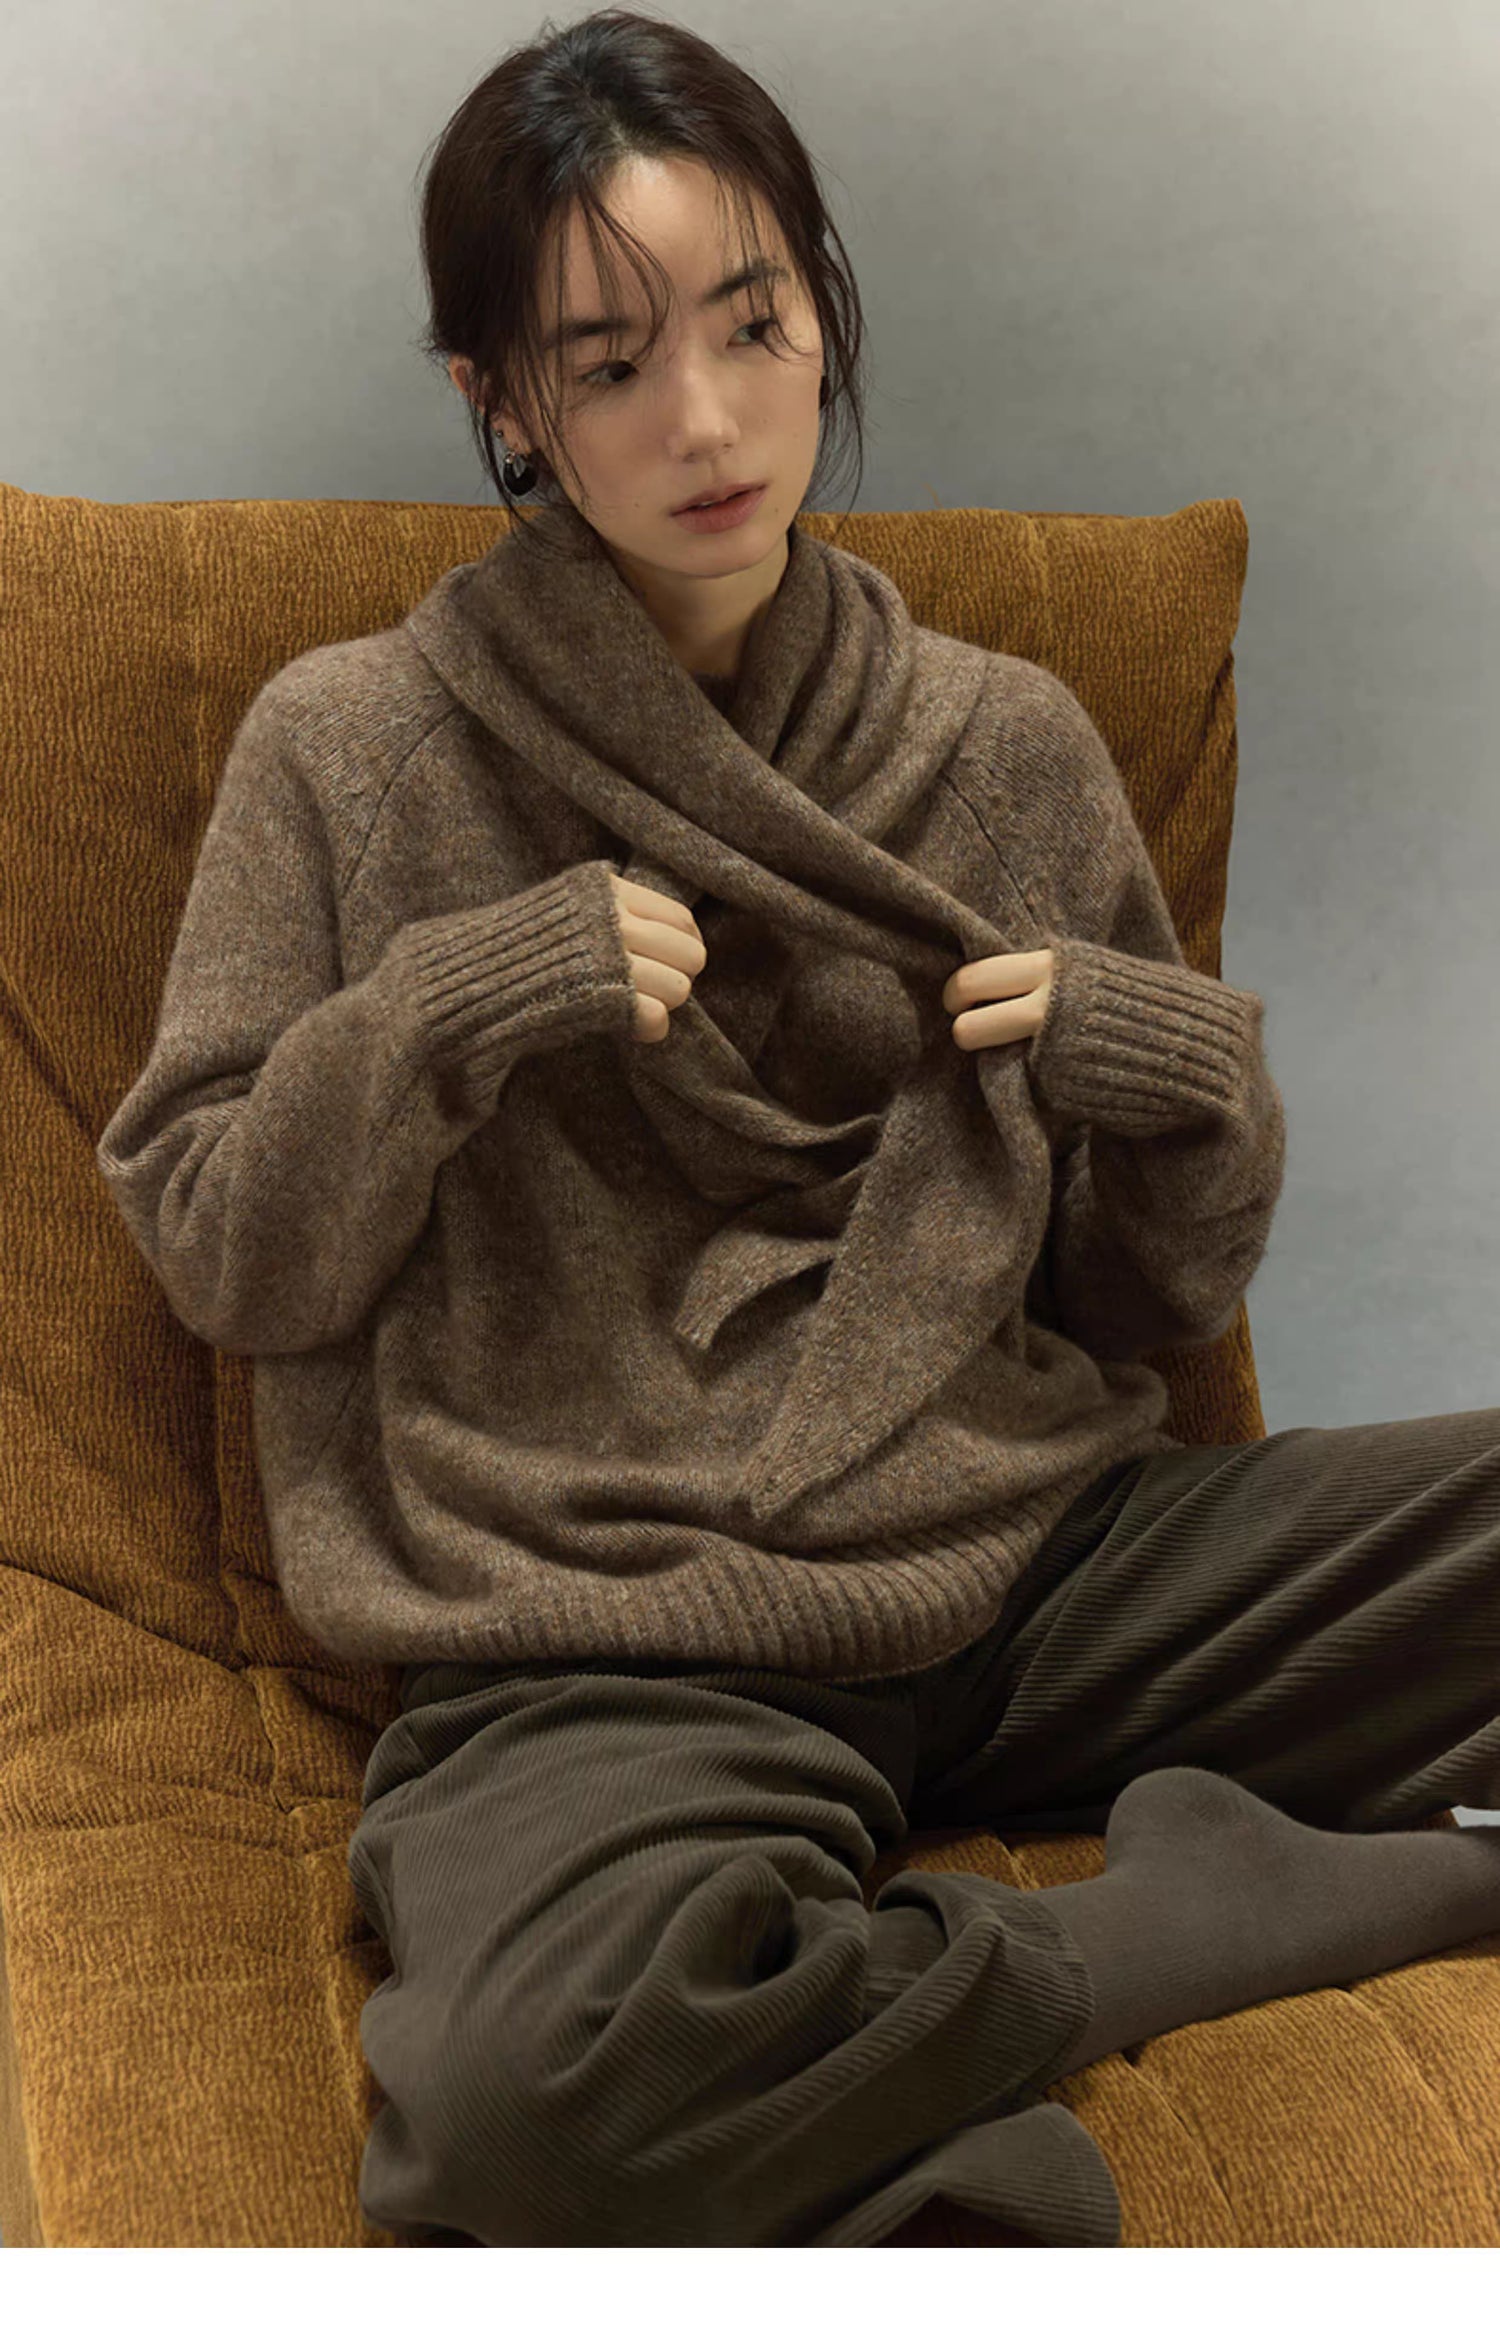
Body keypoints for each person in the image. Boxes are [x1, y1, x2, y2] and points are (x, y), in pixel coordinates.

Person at [95, 10, 1500, 2250]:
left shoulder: (1001, 746)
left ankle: (863, 2101)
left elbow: (1153, 1295)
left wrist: (1188, 1085)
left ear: (823, 305)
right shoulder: (352, 749)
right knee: (519, 2105)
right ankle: (1188, 1925)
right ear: (504, 405)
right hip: (606, 1629)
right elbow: (224, 1244)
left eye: (756, 322)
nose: (716, 417)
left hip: (1038, 1566)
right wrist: (455, 1009)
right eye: (613, 360)